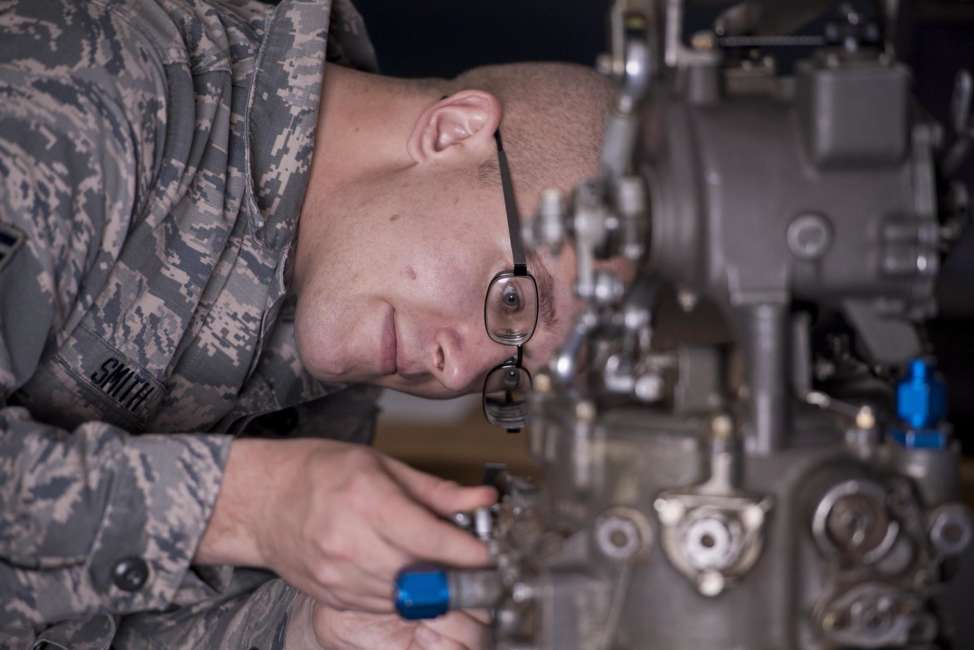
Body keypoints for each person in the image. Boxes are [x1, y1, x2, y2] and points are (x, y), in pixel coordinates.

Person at [0, 0, 612, 647]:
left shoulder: (340, 337)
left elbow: (87, 619)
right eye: (514, 301)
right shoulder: (100, 83)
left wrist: (306, 627)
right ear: (453, 132)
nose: (458, 369)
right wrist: (245, 506)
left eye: (510, 371)